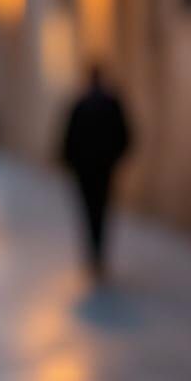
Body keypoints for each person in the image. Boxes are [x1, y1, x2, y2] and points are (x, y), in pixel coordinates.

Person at [61, 64, 132, 282]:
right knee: (101, 209)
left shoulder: (80, 104)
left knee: (89, 209)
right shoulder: (111, 104)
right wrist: (113, 159)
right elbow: (125, 136)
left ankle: (94, 251)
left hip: (86, 169)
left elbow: (67, 139)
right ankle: (98, 251)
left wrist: (71, 162)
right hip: (103, 168)